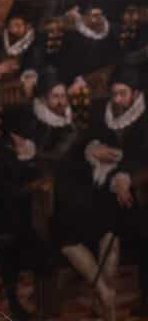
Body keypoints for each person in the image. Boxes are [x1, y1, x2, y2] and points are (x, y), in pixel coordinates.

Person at [56, 64, 148, 321]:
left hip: (134, 196)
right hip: (96, 191)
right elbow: (79, 147)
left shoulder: (144, 120)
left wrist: (124, 176)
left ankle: (104, 300)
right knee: (67, 231)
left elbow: (143, 160)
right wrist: (91, 150)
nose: (117, 100)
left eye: (123, 94)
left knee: (111, 231)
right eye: (114, 94)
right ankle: (105, 293)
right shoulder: (100, 113)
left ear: (137, 94)